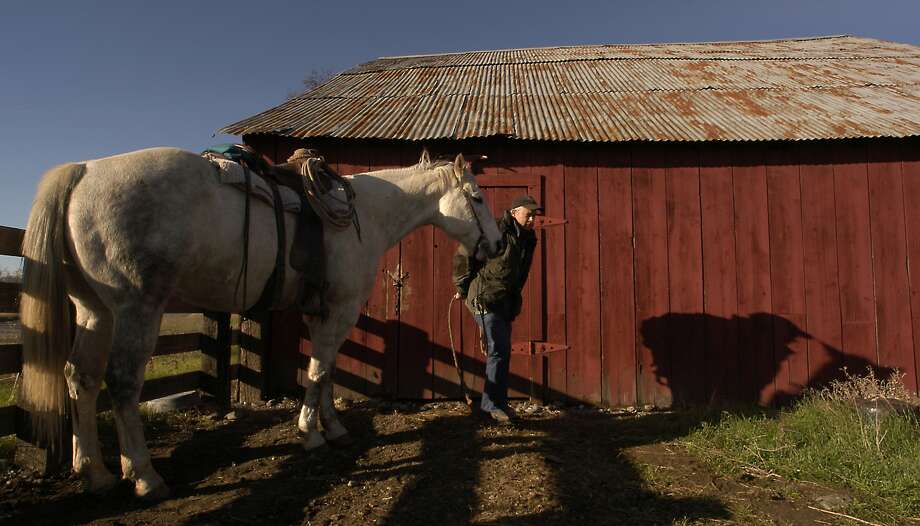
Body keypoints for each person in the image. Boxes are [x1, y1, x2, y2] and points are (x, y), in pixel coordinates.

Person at [452, 194, 542, 422]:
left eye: (534, 215)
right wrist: (462, 288)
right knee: (499, 349)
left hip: (504, 300)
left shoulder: (527, 238)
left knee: (501, 350)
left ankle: (496, 404)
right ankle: (492, 406)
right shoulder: (496, 231)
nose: (531, 219)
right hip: (483, 297)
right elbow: (465, 253)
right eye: (528, 214)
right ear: (514, 213)